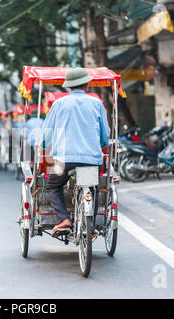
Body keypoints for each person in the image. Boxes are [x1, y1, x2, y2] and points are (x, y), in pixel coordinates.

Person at [40, 68, 110, 236]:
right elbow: (105, 138)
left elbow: (46, 137)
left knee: (53, 185)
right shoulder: (96, 104)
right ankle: (91, 225)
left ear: (69, 87)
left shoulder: (59, 104)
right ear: (87, 85)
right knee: (91, 188)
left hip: (63, 161)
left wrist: (44, 144)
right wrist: (96, 144)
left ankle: (63, 219)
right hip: (90, 160)